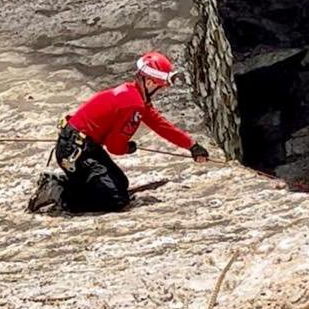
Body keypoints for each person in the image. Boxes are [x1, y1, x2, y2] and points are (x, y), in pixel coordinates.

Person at [27, 52, 210, 215]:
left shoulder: (133, 95)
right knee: (115, 199)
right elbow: (114, 146)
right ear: (149, 82)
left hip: (77, 146)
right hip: (77, 152)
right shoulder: (134, 105)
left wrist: (191, 146)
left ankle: (69, 185)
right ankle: (59, 191)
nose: (159, 91)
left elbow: (160, 125)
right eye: (159, 87)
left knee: (120, 184)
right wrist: (128, 148)